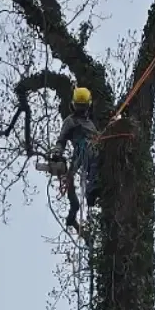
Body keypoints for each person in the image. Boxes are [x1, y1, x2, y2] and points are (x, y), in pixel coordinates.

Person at [51, 86, 101, 229]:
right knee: (95, 158)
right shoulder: (70, 121)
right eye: (79, 106)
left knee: (99, 160)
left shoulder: (91, 122)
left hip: (94, 148)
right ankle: (91, 190)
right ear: (74, 105)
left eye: (83, 106)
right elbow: (61, 140)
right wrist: (57, 153)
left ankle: (94, 189)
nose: (81, 109)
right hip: (82, 150)